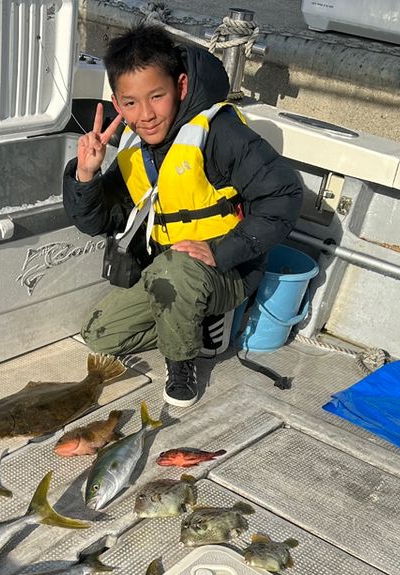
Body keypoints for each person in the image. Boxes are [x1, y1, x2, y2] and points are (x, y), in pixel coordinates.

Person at [63, 24, 303, 408]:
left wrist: (223, 252)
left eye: (157, 96)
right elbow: (97, 222)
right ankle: (195, 325)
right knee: (99, 335)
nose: (146, 115)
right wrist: (86, 174)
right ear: (116, 101)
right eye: (130, 103)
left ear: (182, 86)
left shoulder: (218, 132)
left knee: (173, 271)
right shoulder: (131, 143)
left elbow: (285, 195)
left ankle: (182, 365)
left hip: (229, 271)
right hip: (166, 273)